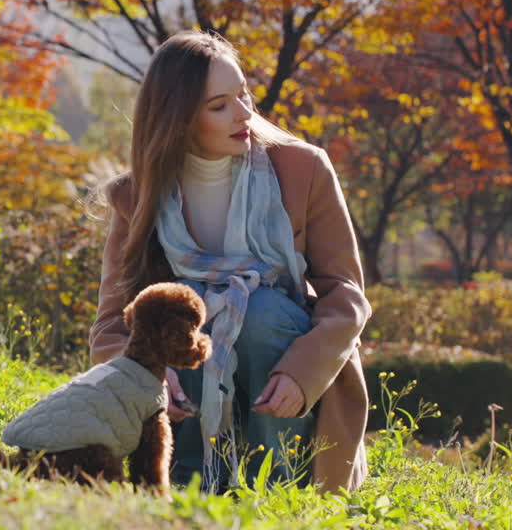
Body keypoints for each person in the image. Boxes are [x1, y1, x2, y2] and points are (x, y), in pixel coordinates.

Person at [88, 30, 370, 493]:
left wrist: (303, 373)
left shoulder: (303, 169)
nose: (244, 113)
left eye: (243, 94)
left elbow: (347, 296)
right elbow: (109, 327)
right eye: (219, 105)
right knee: (188, 311)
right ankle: (192, 483)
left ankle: (282, 487)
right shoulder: (135, 196)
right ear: (178, 118)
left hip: (286, 365)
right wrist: (149, 377)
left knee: (259, 311)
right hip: (185, 400)